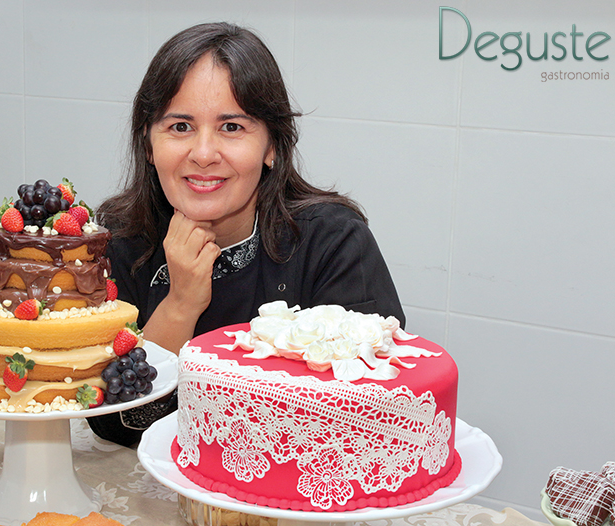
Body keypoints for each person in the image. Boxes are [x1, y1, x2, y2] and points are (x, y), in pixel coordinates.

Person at [87, 22, 405, 446]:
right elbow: (113, 424)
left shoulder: (335, 242)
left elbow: (370, 418)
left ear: (272, 146)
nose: (203, 154)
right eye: (180, 126)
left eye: (232, 127)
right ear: (148, 143)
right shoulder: (116, 240)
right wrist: (180, 304)